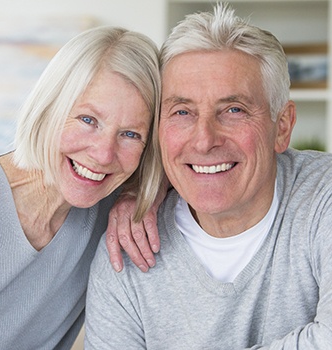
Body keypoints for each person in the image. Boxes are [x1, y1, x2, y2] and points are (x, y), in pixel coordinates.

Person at [85, 2, 332, 349]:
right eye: (182, 111)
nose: (204, 140)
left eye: (233, 110)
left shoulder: (323, 198)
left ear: (282, 126)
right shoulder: (127, 248)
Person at [0, 25, 163, 349]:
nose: (104, 154)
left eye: (131, 134)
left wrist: (141, 194)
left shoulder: (106, 207)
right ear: (50, 107)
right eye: (88, 120)